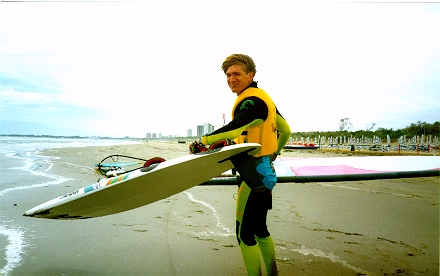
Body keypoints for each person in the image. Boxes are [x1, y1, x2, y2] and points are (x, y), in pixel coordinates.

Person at [190, 54, 290, 276]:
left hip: (252, 178)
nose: (231, 79)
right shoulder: (266, 100)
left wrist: (202, 142)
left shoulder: (251, 102)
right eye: (228, 75)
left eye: (237, 74)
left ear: (250, 75)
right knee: (260, 230)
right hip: (265, 173)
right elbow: (286, 130)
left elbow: (235, 128)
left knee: (244, 235)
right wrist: (275, 151)